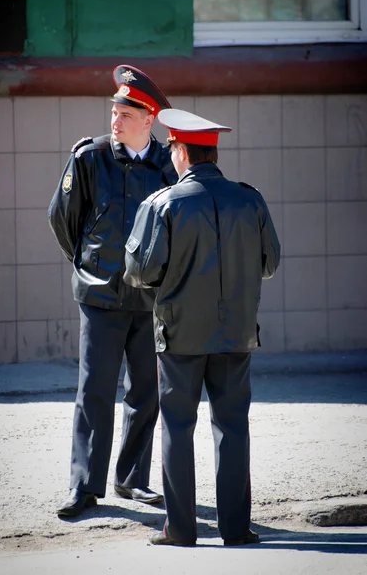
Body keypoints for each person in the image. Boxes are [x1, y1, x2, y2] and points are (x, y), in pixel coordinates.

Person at [123, 108, 281, 546]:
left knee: (176, 426)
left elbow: (138, 272)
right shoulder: (250, 199)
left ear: (181, 151)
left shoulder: (162, 203)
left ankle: (181, 530)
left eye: (172, 146)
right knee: (232, 427)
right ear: (212, 152)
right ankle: (235, 528)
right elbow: (270, 264)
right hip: (236, 334)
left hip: (178, 335)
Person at [48, 65, 177, 517]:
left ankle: (131, 480)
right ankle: (84, 487)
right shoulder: (90, 158)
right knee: (95, 391)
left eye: (126, 113)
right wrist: (87, 265)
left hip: (149, 300)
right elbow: (62, 220)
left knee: (146, 391)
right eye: (114, 111)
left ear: (150, 119)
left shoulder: (168, 166)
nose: (115, 120)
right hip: (100, 297)